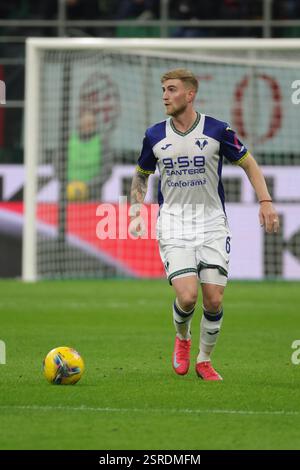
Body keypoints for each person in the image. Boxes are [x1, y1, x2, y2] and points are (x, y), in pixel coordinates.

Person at [130, 68, 279, 381]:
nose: (165, 96)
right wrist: (134, 209)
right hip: (174, 224)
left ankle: (204, 360)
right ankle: (183, 339)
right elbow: (141, 174)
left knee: (213, 299)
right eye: (163, 90)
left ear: (189, 94)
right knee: (187, 297)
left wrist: (265, 201)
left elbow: (248, 162)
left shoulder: (217, 129)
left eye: (171, 90)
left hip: (212, 224)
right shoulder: (154, 135)